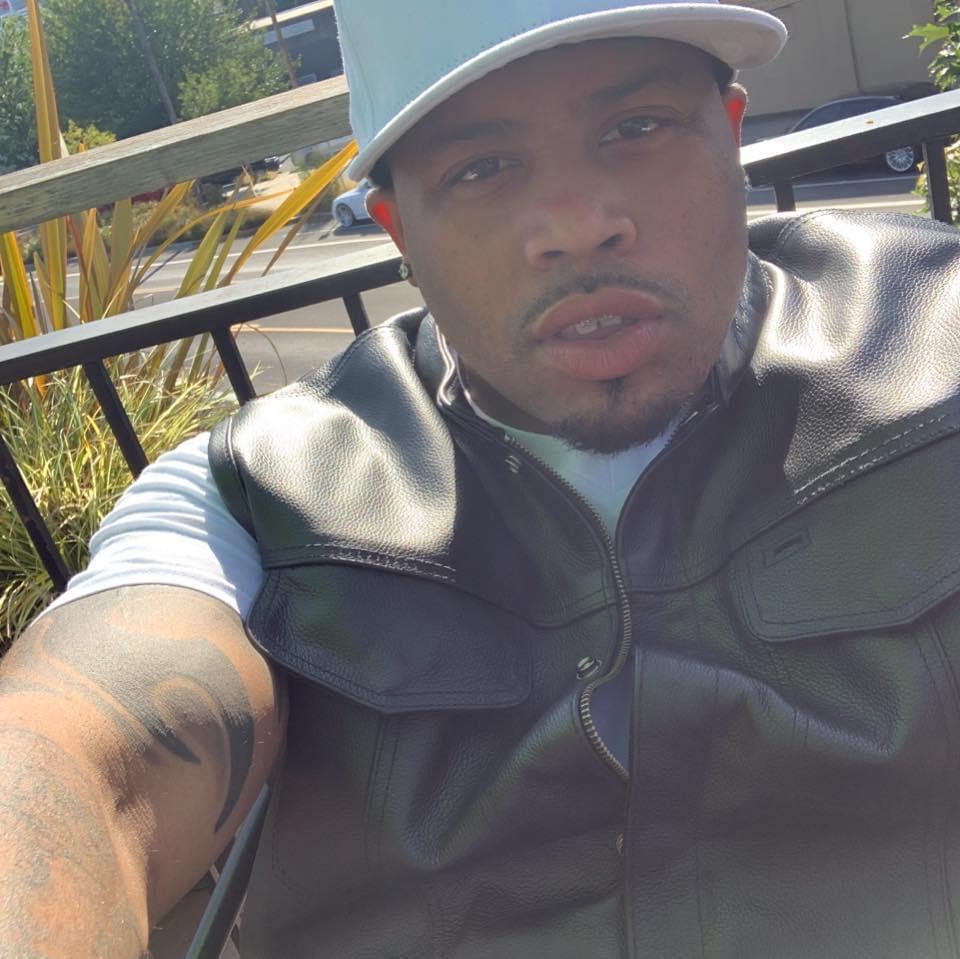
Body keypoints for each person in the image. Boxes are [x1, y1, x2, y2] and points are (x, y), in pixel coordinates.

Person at [2, 0, 959, 956]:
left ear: (732, 136)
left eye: (639, 127)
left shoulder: (933, 339)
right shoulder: (256, 495)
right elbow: (77, 758)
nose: (579, 226)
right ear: (399, 233)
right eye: (480, 168)